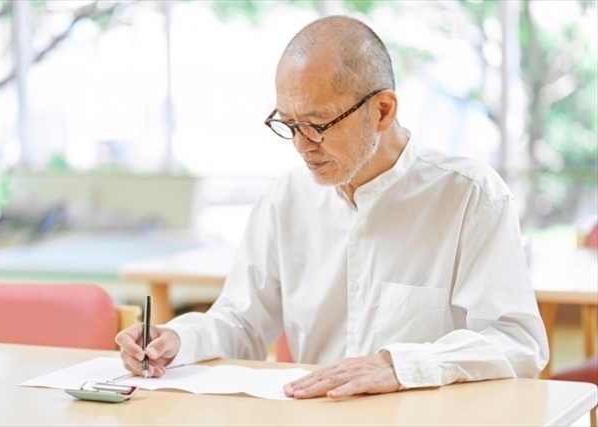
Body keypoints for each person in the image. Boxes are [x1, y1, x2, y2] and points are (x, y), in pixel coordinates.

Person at [116, 15, 548, 399]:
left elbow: (518, 340)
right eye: (288, 124)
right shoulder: (286, 200)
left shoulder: (470, 195)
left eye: (318, 125)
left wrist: (400, 365)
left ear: (382, 110)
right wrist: (175, 339)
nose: (302, 146)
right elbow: (243, 322)